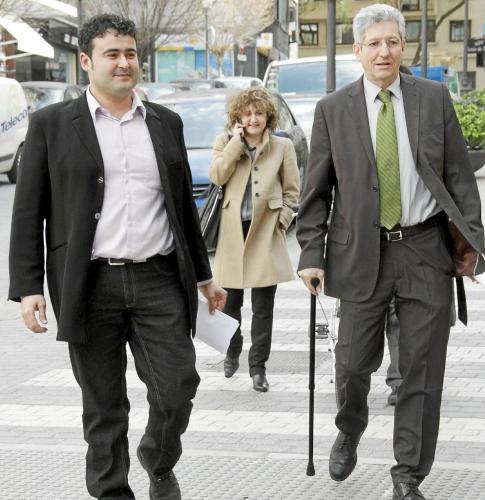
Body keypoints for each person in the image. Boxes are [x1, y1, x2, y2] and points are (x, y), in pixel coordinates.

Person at [8, 14, 226, 500]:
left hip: (158, 279)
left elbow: (182, 209)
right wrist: (27, 288)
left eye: (130, 53)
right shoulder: (51, 125)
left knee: (178, 387)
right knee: (104, 405)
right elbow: (27, 212)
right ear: (87, 62)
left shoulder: (165, 122)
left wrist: (204, 276)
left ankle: (158, 458)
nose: (124, 62)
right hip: (89, 285)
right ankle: (111, 493)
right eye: (112, 54)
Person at [296, 4, 484, 500]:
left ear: (405, 47)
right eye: (374, 43)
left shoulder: (433, 98)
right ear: (357, 50)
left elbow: (460, 177)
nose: (384, 51)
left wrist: (473, 240)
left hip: (424, 250)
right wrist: (311, 254)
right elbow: (315, 193)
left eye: (393, 42)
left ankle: (408, 476)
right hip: (360, 252)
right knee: (353, 363)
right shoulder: (332, 109)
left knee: (421, 371)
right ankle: (350, 427)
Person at [209, 87, 300, 392]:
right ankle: (232, 349)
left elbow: (292, 191)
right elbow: (217, 176)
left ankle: (258, 368)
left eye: (259, 113)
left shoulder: (282, 146)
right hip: (232, 234)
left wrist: (282, 223)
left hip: (265, 233)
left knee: (263, 309)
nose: (253, 119)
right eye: (247, 114)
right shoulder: (225, 142)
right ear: (237, 118)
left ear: (268, 116)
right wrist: (235, 144)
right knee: (230, 304)